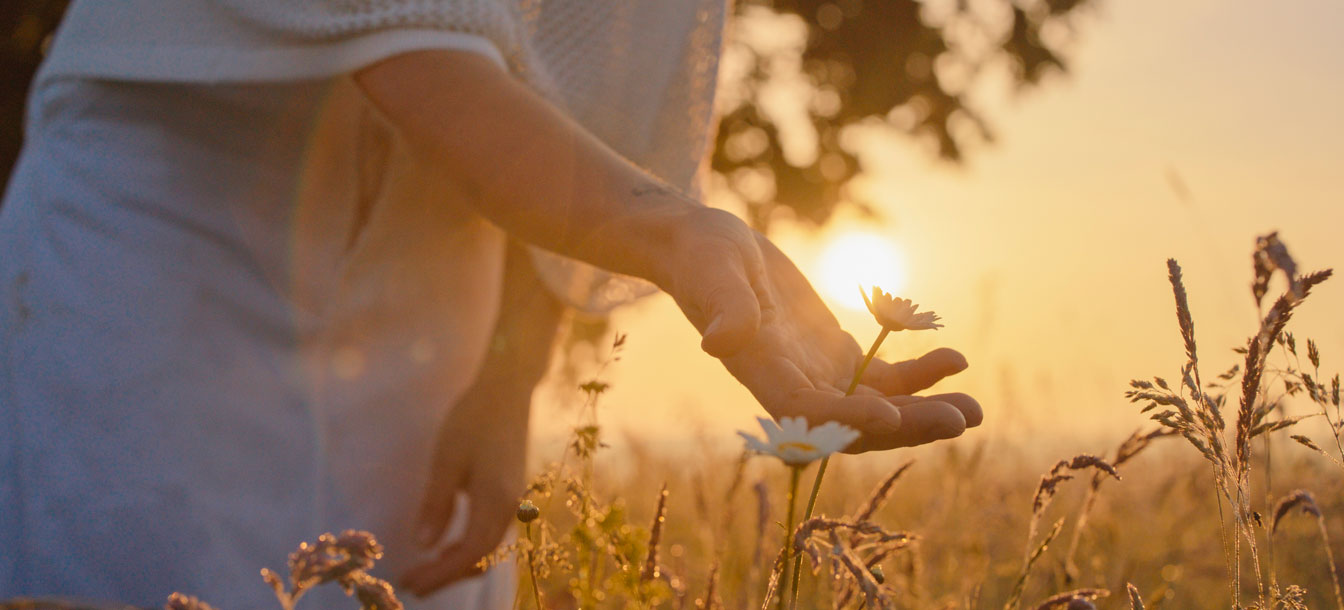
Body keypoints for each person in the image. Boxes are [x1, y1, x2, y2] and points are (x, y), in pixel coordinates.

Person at [0, 1, 983, 608]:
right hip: (171, 206)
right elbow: (413, 49)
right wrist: (672, 229)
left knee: (404, 577)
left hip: (463, 246)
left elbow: (607, 90)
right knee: (127, 576)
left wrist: (509, 370)